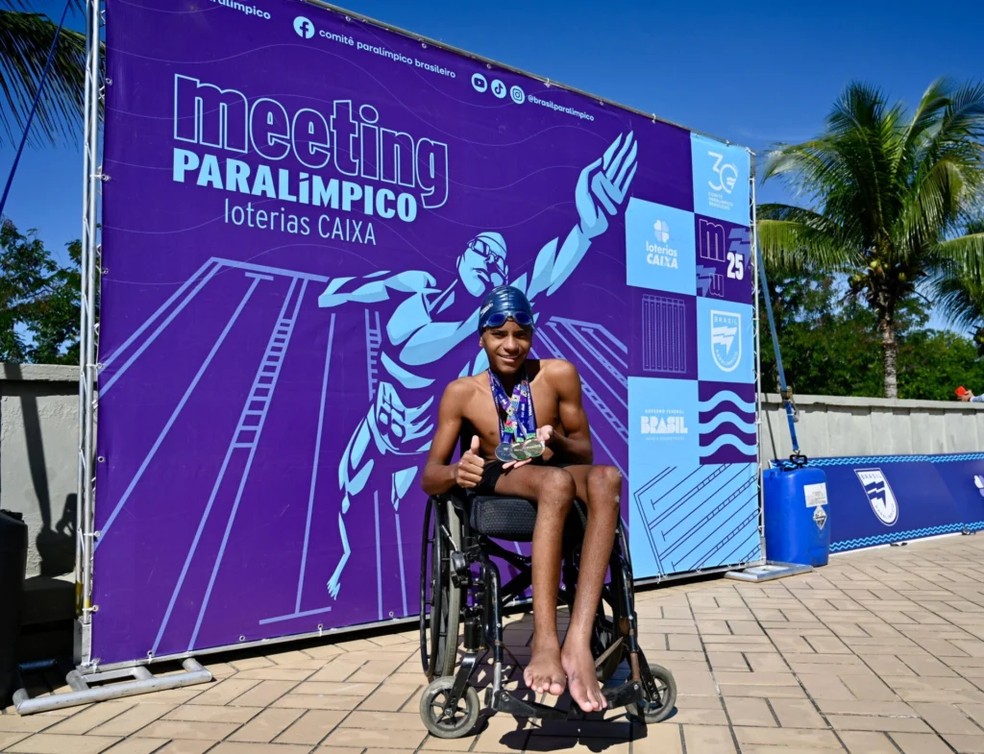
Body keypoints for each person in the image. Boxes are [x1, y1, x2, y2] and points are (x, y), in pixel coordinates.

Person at [317, 132, 637, 600]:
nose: (489, 261)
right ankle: (348, 558)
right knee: (349, 490)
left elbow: (542, 276)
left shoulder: (478, 331)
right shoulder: (415, 289)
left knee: (396, 502)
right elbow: (356, 287)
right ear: (463, 253)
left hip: (416, 440)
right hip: (378, 422)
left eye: (498, 261)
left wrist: (587, 228)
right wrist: (331, 293)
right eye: (483, 250)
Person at [420, 285, 622, 713]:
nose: (511, 345)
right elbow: (430, 476)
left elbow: (584, 452)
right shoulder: (462, 393)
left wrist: (554, 443)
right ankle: (546, 642)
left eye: (520, 334)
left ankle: (578, 642)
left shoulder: (559, 375)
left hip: (550, 465)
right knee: (556, 485)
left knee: (606, 479)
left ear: (531, 335)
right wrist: (458, 471)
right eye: (498, 335)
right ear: (481, 338)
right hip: (500, 475)